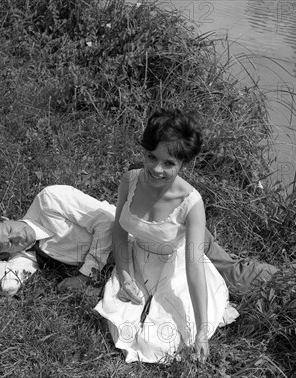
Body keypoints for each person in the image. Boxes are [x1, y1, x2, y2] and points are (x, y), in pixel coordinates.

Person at [94, 108, 238, 363]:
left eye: (169, 163)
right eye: (151, 157)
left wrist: (203, 331)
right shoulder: (130, 180)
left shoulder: (192, 203)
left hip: (177, 267)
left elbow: (194, 265)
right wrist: (125, 275)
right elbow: (119, 230)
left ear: (183, 164)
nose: (156, 169)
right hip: (137, 260)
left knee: (156, 344)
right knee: (119, 324)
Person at [0, 190, 277, 298]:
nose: (17, 237)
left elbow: (107, 222)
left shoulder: (49, 201)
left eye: (8, 228)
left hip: (151, 234)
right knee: (211, 293)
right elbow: (8, 281)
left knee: (232, 276)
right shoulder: (40, 253)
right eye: (8, 245)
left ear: (6, 216)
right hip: (136, 264)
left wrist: (86, 274)